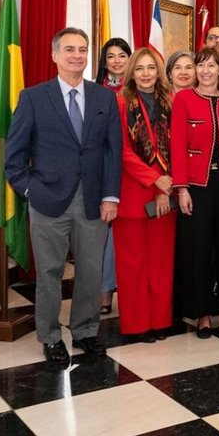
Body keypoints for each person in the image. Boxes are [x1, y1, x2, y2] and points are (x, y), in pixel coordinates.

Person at [5, 28, 121, 364]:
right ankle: (50, 335)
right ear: (54, 55)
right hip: (47, 200)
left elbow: (112, 152)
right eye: (69, 49)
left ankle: (85, 330)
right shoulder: (33, 98)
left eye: (83, 50)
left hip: (94, 201)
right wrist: (31, 191)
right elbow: (14, 159)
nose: (77, 56)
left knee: (90, 271)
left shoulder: (104, 98)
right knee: (50, 272)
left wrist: (111, 196)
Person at [171, 48, 219, 338]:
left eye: (212, 65)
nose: (205, 71)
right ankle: (201, 314)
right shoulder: (184, 98)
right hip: (197, 187)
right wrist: (181, 188)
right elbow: (177, 144)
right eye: (201, 66)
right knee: (197, 249)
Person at [114, 47, 176, 343]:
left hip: (167, 195)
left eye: (152, 68)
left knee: (161, 263)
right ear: (131, 73)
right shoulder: (120, 103)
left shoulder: (171, 101)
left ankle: (160, 320)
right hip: (133, 195)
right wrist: (156, 180)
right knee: (132, 264)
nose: (146, 74)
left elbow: (178, 148)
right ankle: (137, 325)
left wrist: (167, 186)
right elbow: (122, 152)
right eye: (140, 69)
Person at [95, 37, 131, 314]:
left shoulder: (140, 90)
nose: (116, 61)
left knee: (128, 235)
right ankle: (104, 292)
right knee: (104, 236)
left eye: (121, 55)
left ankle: (131, 291)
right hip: (104, 171)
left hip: (133, 172)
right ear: (103, 62)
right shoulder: (95, 92)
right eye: (110, 56)